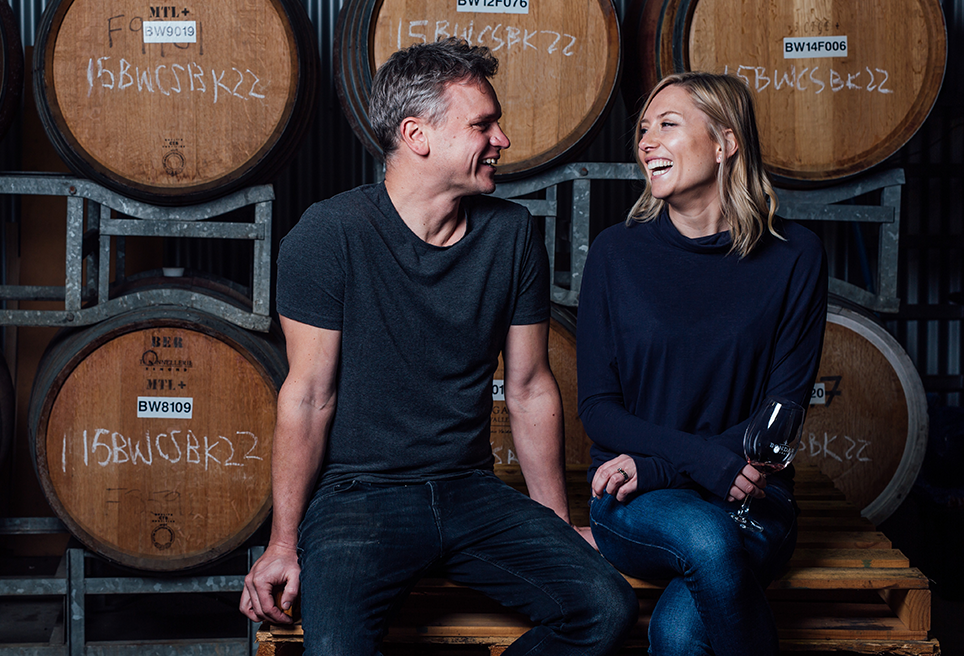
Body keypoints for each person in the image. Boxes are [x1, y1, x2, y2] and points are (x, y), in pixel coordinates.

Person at [239, 37, 636, 655]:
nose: (501, 140)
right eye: (483, 125)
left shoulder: (512, 234)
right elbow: (309, 396)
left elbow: (530, 387)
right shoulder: (329, 233)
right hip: (358, 497)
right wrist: (284, 541)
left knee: (606, 608)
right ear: (417, 135)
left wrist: (553, 523)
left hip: (470, 489)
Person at [576, 71, 828, 656]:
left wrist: (665, 467)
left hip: (754, 497)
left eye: (667, 125)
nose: (646, 141)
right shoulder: (617, 253)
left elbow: (781, 413)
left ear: (725, 143)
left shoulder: (795, 256)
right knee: (707, 536)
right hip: (636, 503)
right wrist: (695, 463)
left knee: (677, 634)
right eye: (642, 129)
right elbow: (598, 410)